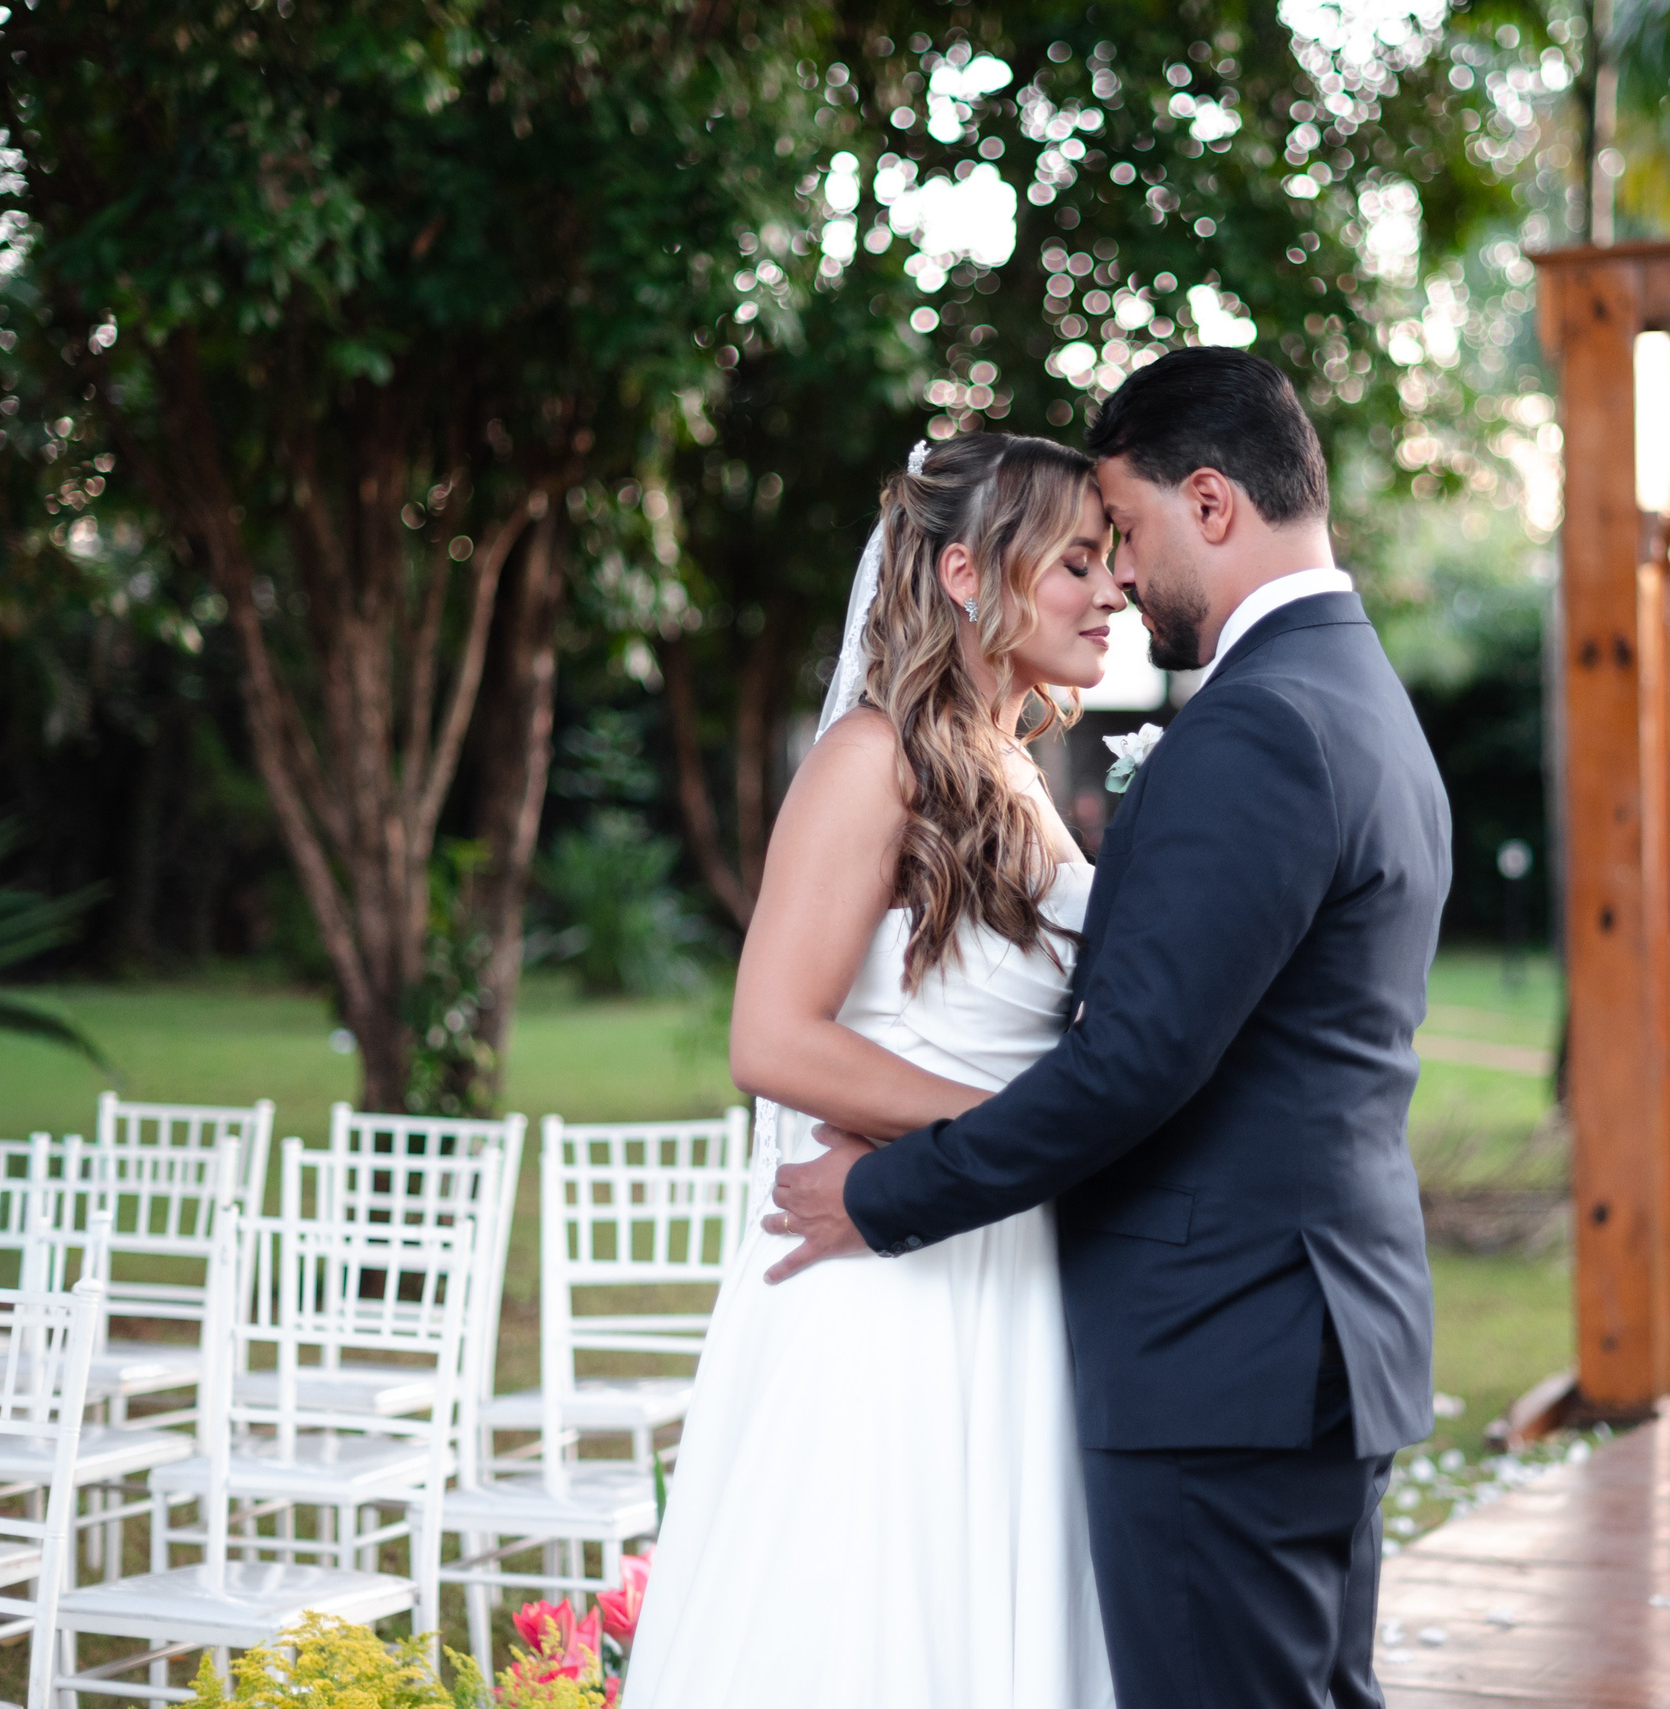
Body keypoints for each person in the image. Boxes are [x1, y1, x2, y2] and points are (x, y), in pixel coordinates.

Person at [767, 348, 1452, 1709]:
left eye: (1122, 534)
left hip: (1225, 1350)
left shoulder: (1260, 723)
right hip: (1281, 1334)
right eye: (1082, 555)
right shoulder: (1355, 695)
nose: (1121, 578)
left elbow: (1132, 1066)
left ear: (1211, 502)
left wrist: (888, 1190)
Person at [620, 432, 1125, 1709]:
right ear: (966, 572)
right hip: (889, 1285)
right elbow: (772, 1037)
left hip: (1001, 1263)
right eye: (1076, 562)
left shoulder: (1010, 768)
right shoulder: (871, 756)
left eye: (1111, 561)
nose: (1111, 590)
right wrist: (1023, 1131)